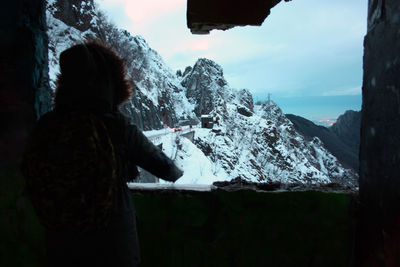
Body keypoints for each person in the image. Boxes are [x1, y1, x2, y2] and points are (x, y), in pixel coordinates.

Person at [23, 40, 183, 267]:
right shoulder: (115, 125)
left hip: (61, 242)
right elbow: (166, 169)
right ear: (110, 82)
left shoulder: (48, 124)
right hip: (112, 243)